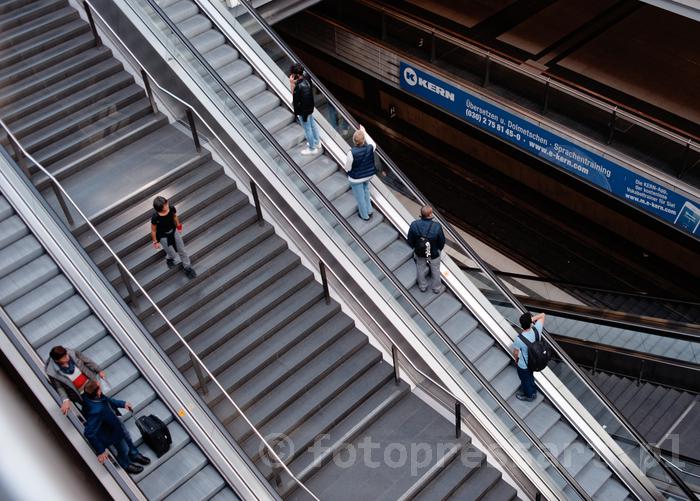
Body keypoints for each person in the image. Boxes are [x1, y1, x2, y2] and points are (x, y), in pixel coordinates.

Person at [82, 380, 150, 474]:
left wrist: (122, 404)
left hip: (115, 422)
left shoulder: (91, 396)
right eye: (99, 387)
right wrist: (101, 451)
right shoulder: (96, 411)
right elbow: (89, 432)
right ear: (97, 391)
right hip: (110, 432)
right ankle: (126, 464)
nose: (101, 386)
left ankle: (134, 454)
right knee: (123, 449)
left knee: (127, 437)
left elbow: (107, 400)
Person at [46, 345, 105, 416]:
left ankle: (114, 413)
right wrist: (65, 400)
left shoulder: (72, 353)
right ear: (57, 360)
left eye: (66, 354)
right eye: (64, 357)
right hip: (81, 394)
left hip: (92, 384)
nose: (67, 357)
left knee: (103, 399)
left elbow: (87, 361)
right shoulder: (52, 372)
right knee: (94, 408)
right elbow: (59, 387)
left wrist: (99, 370)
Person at [151, 196, 196, 279]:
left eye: (166, 203)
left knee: (182, 250)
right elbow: (153, 230)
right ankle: (169, 258)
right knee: (173, 254)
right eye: (164, 205)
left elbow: (174, 216)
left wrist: (178, 225)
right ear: (159, 208)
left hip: (173, 231)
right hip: (163, 236)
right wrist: (155, 242)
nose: (167, 206)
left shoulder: (171, 208)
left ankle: (188, 268)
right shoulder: (155, 217)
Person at [407, 206, 445, 294]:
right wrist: (439, 249)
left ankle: (422, 286)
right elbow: (442, 241)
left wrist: (415, 247)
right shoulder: (436, 226)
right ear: (430, 215)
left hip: (420, 252)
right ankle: (436, 288)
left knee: (420, 268)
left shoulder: (414, 224)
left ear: (422, 214)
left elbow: (410, 239)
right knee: (435, 270)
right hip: (433, 253)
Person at [511, 312, 546, 402]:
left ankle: (530, 395)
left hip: (524, 365)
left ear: (521, 325)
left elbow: (515, 353)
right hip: (534, 362)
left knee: (525, 380)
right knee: (530, 376)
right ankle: (533, 390)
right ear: (531, 322)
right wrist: (530, 320)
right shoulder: (537, 329)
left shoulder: (519, 339)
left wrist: (516, 360)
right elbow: (542, 315)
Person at [344, 125, 376, 221]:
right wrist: (364, 132)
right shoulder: (370, 148)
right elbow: (372, 143)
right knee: (366, 190)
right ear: (363, 140)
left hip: (356, 178)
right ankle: (369, 210)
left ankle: (364, 216)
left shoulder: (351, 153)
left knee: (360, 197)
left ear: (354, 141)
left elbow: (348, 167)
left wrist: (348, 171)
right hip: (368, 175)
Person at [290, 63, 321, 155]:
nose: (292, 76)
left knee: (307, 129)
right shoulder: (307, 77)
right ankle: (317, 142)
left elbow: (295, 98)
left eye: (293, 74)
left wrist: (292, 84)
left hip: (304, 110)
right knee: (312, 124)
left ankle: (312, 148)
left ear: (297, 75)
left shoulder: (298, 87)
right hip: (310, 107)